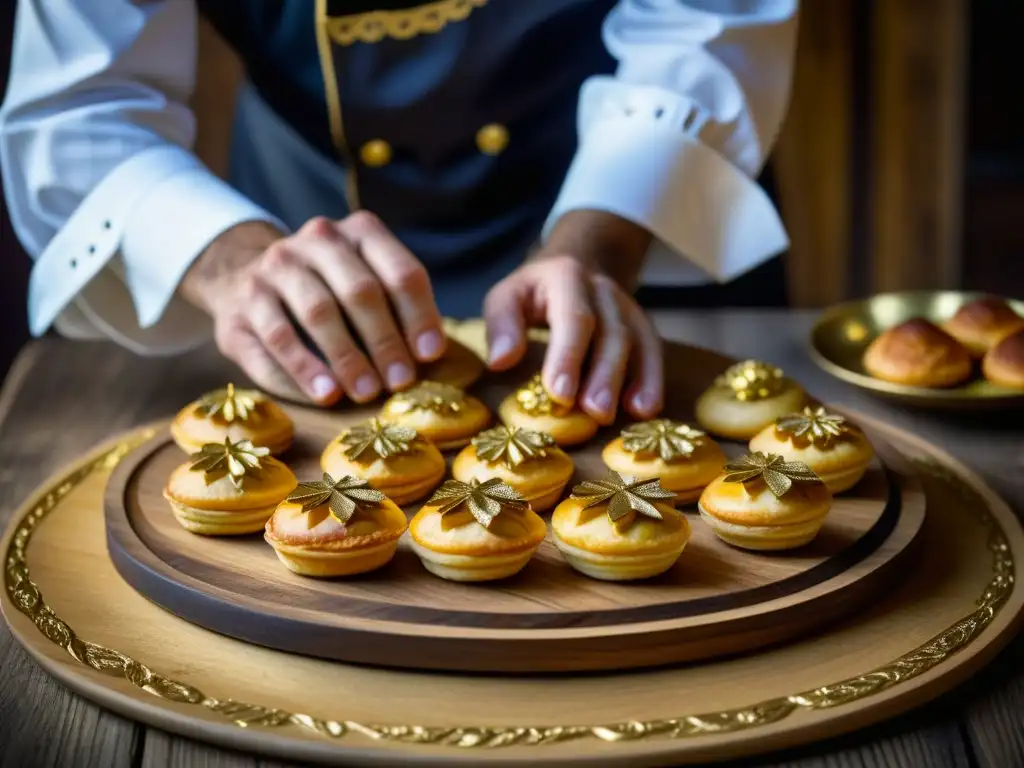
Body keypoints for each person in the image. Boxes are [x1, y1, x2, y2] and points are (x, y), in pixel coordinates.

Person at [0, 0, 798, 425]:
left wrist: (600, 240)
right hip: (302, 246)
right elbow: (81, 104)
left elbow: (707, 17)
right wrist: (228, 260)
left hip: (644, 202)